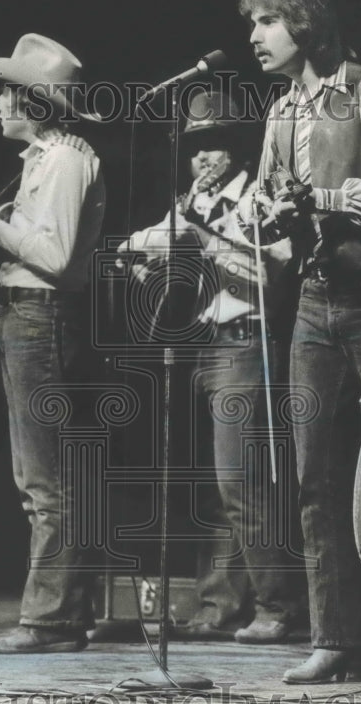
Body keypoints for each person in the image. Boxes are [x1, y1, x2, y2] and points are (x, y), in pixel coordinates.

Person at [239, 0, 361, 683]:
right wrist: (270, 215)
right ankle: (338, 641)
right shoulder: (281, 113)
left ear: (303, 23)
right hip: (314, 301)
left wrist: (320, 197)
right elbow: (265, 205)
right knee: (315, 478)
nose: (254, 37)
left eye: (264, 22)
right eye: (253, 24)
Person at [119, 89, 304, 644]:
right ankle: (221, 604)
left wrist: (204, 241)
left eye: (213, 147)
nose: (200, 160)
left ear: (237, 153)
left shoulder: (256, 199)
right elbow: (135, 246)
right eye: (194, 148)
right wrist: (147, 265)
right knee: (215, 489)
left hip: (247, 343)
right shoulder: (189, 206)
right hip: (202, 346)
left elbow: (275, 271)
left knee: (243, 483)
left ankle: (279, 605)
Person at [0, 34, 105, 654]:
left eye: (9, 95)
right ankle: (56, 615)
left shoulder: (67, 159)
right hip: (24, 319)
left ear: (37, 103)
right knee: (36, 477)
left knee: (50, 481)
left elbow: (58, 258)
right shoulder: (42, 158)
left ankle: (53, 622)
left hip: (45, 320)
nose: (0, 107)